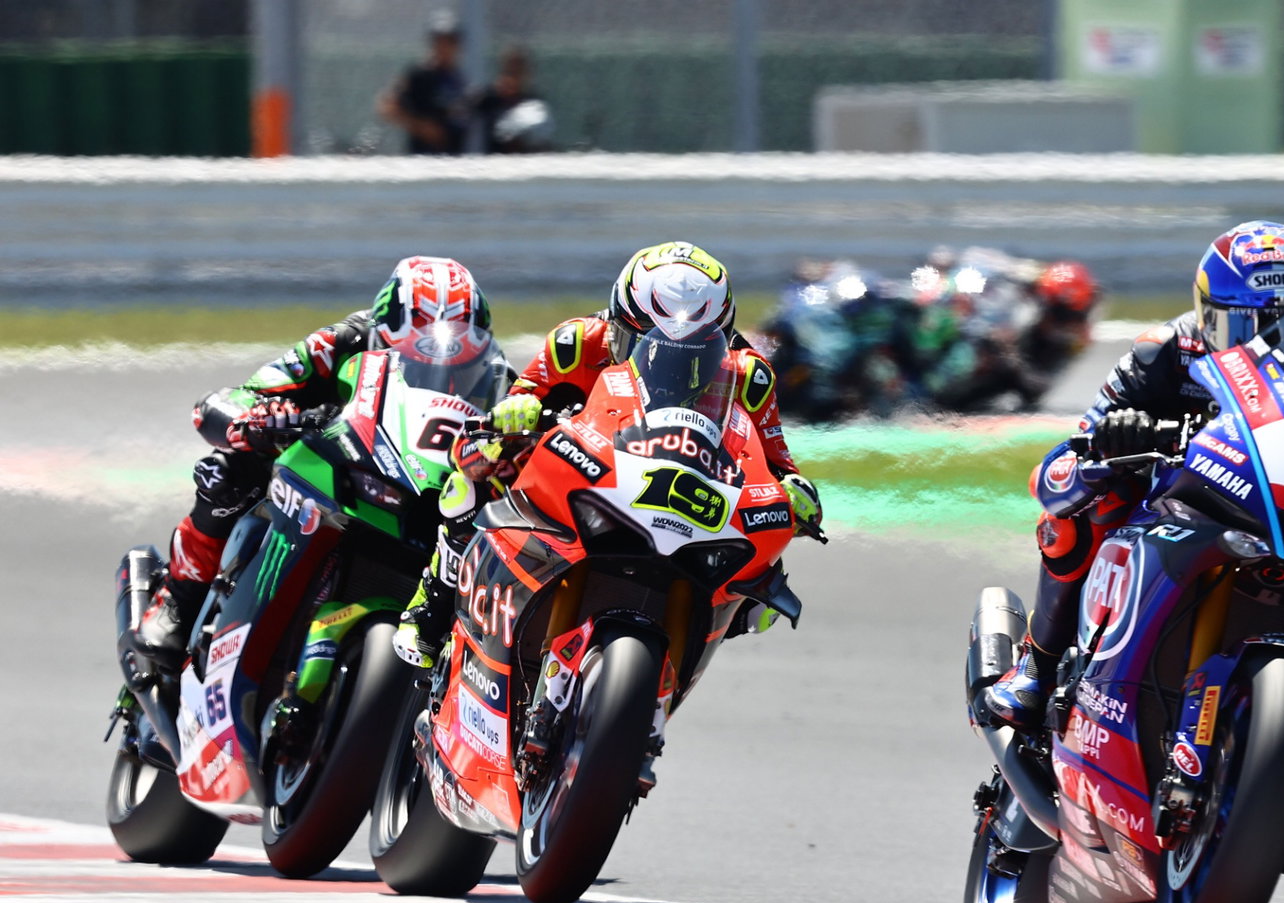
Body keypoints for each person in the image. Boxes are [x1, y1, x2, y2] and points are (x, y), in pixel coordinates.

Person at [980, 219, 1284, 731]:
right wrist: (1116, 439)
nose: (1262, 342)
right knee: (1086, 505)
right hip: (1183, 496)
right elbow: (1063, 464)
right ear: (1208, 316)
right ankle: (1039, 667)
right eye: (1243, 326)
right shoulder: (1166, 351)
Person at [393, 241, 823, 667]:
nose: (666, 364)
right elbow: (502, 418)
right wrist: (514, 413)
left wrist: (795, 490)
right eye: (643, 341)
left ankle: (674, 653)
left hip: (686, 492)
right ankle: (433, 604)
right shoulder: (574, 344)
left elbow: (777, 464)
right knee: (473, 474)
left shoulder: (749, 376)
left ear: (722, 340)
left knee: (758, 593)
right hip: (585, 470)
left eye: (694, 353)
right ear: (617, 321)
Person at [133, 256, 504, 664]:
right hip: (334, 457)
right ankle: (179, 599)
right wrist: (257, 419)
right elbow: (236, 397)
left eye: (459, 353)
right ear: (384, 331)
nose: (439, 361)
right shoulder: (343, 340)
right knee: (229, 474)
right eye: (415, 348)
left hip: (426, 486)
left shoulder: (500, 379)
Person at [378, 10, 469, 155]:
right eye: (440, 41)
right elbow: (387, 106)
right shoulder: (419, 74)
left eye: (450, 41)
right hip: (423, 161)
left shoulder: (457, 78)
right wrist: (421, 127)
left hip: (453, 161)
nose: (444, 48)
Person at [473, 46, 554, 153]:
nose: (514, 76)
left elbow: (542, 140)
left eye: (519, 71)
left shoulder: (534, 103)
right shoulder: (489, 99)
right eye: (510, 71)